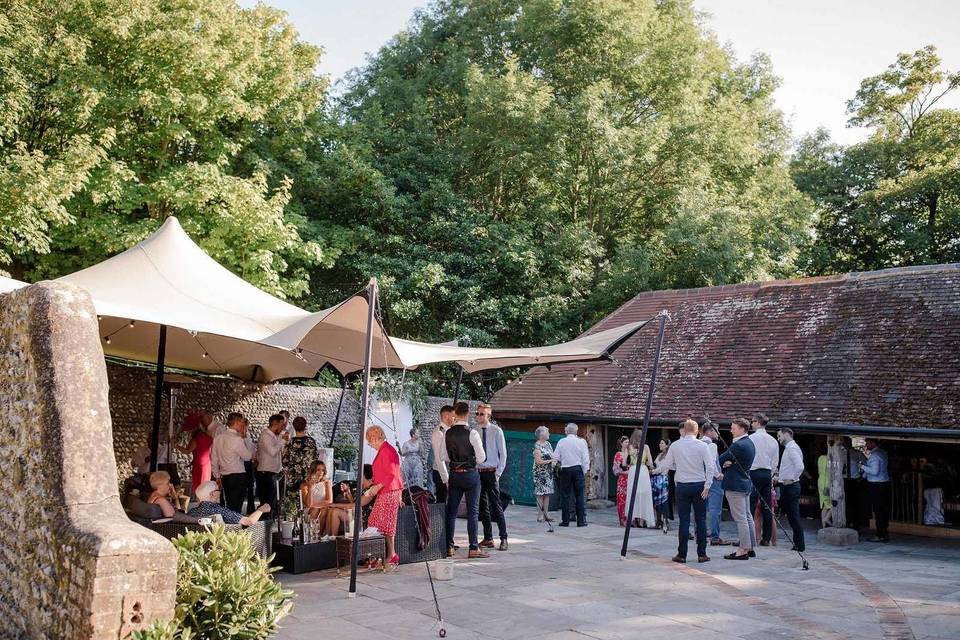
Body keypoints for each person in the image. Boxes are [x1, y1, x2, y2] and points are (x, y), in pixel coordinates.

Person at [652, 419, 713, 564]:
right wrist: (707, 486)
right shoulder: (702, 445)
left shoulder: (675, 446)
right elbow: (710, 467)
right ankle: (702, 554)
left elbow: (666, 465)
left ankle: (682, 554)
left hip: (683, 486)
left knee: (684, 521)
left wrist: (655, 471)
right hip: (699, 485)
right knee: (701, 520)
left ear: (684, 430)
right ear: (697, 431)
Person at [436, 402, 488, 558]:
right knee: (473, 511)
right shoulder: (472, 433)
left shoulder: (447, 433)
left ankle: (449, 547)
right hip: (470, 474)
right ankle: (473, 548)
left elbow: (443, 456)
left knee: (451, 512)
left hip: (454, 474)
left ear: (455, 414)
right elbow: (482, 458)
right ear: (467, 413)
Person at [365, 425, 405, 567]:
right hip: (389, 490)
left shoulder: (386, 450)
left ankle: (389, 555)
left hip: (389, 490)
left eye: (370, 441)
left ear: (375, 438)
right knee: (381, 523)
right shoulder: (385, 449)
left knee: (379, 522)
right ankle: (386, 555)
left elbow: (392, 473)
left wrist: (377, 486)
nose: (370, 445)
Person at [719, 417, 757, 560]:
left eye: (733, 428)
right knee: (747, 517)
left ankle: (743, 549)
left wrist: (729, 463)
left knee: (741, 518)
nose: (731, 430)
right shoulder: (750, 443)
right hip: (745, 482)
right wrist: (731, 462)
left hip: (735, 484)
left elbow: (721, 458)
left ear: (742, 429)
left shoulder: (738, 445)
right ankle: (751, 547)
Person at [475, 402, 509, 550]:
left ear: (488, 415)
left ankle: (503, 537)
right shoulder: (474, 431)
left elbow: (503, 453)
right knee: (482, 506)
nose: (479, 416)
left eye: (482, 414)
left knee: (496, 505)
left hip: (491, 471)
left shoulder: (496, 431)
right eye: (477, 413)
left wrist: (498, 473)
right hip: (479, 472)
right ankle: (488, 537)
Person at [211, 412, 252, 513]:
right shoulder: (237, 439)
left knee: (229, 504)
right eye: (242, 422)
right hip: (238, 476)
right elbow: (248, 457)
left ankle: (230, 526)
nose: (243, 425)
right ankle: (235, 527)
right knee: (237, 507)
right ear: (237, 423)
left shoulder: (218, 438)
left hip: (225, 476)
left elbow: (214, 458)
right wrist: (246, 438)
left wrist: (217, 476)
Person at [749, 413, 778, 546]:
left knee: (751, 505)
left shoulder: (751, 438)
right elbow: (774, 462)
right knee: (767, 506)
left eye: (753, 421)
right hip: (767, 473)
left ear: (759, 423)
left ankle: (750, 537)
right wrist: (770, 475)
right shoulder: (773, 440)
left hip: (754, 472)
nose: (751, 424)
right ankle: (766, 538)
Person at [554, 423, 590, 527]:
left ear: (567, 431)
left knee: (565, 495)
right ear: (576, 431)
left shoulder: (562, 441)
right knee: (579, 495)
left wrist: (562, 461)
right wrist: (584, 470)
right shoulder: (581, 442)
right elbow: (585, 457)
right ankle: (581, 521)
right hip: (577, 468)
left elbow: (556, 456)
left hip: (566, 469)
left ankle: (565, 521)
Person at [189, 480, 271, 526]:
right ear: (212, 494)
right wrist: (261, 509)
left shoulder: (191, 512)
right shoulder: (220, 511)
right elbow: (249, 521)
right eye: (218, 490)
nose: (220, 493)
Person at [776, 428, 805, 552]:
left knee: (793, 516)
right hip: (786, 485)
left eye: (779, 436)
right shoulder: (790, 447)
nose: (778, 439)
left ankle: (799, 545)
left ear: (787, 434)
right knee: (791, 516)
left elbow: (800, 466)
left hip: (790, 486)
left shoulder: (792, 448)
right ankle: (797, 544)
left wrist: (792, 479)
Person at [700, 423, 728, 545]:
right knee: (715, 509)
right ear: (710, 431)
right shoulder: (711, 445)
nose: (718, 433)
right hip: (713, 481)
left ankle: (699, 533)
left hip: (701, 479)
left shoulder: (698, 444)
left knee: (701, 509)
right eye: (717, 431)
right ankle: (715, 537)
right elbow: (711, 463)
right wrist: (718, 475)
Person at [177, 411, 215, 496]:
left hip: (199, 465)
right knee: (205, 488)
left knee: (199, 488)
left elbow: (187, 451)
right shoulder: (209, 437)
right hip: (207, 464)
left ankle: (200, 507)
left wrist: (175, 446)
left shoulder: (195, 439)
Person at [255, 414, 285, 520]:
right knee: (267, 503)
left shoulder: (275, 436)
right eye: (281, 425)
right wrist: (283, 441)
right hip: (266, 473)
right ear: (275, 424)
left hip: (273, 472)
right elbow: (272, 452)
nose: (283, 428)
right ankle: (264, 526)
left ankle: (269, 522)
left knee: (273, 501)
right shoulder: (265, 436)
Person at [862, 439, 891, 542]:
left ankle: (880, 535)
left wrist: (862, 466)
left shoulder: (875, 455)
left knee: (878, 511)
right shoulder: (883, 452)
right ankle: (883, 533)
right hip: (884, 483)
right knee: (883, 510)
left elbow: (874, 471)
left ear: (873, 443)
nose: (866, 445)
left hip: (876, 485)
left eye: (868, 443)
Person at [625, 430, 655, 528]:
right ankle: (642, 520)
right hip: (643, 470)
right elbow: (650, 462)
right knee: (644, 494)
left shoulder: (630, 447)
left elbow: (626, 462)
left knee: (633, 494)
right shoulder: (646, 447)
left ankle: (634, 518)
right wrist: (653, 468)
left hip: (633, 470)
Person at [282, 416, 318, 491]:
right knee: (307, 498)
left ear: (294, 427)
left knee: (293, 498)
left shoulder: (290, 442)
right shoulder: (311, 441)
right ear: (305, 426)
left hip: (293, 476)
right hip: (308, 475)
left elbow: (284, 460)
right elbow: (316, 458)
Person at [840, 437, 867, 532]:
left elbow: (866, 464)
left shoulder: (857, 453)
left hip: (854, 480)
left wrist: (862, 476)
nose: (843, 444)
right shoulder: (841, 453)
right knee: (845, 502)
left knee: (855, 503)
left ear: (849, 443)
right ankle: (846, 522)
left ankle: (856, 524)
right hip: (844, 480)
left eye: (844, 442)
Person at [430, 405, 455, 502]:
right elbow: (439, 458)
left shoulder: (449, 431)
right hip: (441, 472)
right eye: (453, 416)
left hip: (450, 470)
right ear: (446, 417)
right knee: (442, 502)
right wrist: (446, 479)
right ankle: (441, 517)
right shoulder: (439, 433)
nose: (455, 418)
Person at [532, 426, 557, 522]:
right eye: (547, 432)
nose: (549, 434)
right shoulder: (537, 447)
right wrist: (551, 461)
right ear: (542, 435)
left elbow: (553, 455)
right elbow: (538, 461)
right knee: (540, 494)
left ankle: (546, 513)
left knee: (547, 494)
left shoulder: (548, 444)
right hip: (540, 474)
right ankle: (540, 515)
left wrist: (554, 462)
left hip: (548, 473)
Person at [301, 460, 333, 532]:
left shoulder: (326, 483)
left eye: (323, 470)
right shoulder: (304, 485)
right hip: (310, 511)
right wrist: (310, 487)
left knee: (323, 510)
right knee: (315, 510)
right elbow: (308, 505)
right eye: (318, 470)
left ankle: (319, 535)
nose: (321, 472)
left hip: (323, 508)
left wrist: (315, 505)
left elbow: (329, 501)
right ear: (313, 470)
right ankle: (313, 534)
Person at [651, 439, 671, 532]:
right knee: (657, 501)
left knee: (663, 501)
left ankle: (665, 521)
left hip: (663, 478)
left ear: (667, 445)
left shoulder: (668, 455)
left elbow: (663, 467)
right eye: (660, 442)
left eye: (662, 443)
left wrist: (653, 471)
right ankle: (659, 520)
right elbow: (655, 465)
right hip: (656, 479)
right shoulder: (659, 455)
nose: (660, 444)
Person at [612, 436, 631, 526]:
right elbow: (615, 468)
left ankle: (631, 519)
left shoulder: (631, 453)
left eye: (628, 442)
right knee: (621, 499)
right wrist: (623, 471)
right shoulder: (618, 454)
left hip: (630, 478)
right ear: (621, 443)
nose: (627, 444)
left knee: (630, 498)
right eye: (626, 442)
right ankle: (623, 519)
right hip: (622, 479)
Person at [817, 444, 833, 527]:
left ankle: (823, 526)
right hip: (827, 483)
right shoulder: (829, 459)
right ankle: (826, 518)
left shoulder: (820, 458)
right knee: (833, 504)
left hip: (820, 481)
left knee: (824, 505)